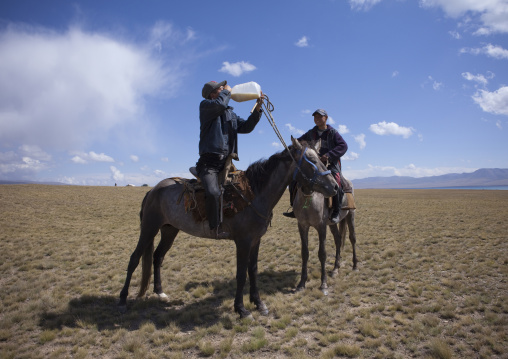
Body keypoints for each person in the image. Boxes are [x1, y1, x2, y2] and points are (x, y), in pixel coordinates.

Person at [197, 80, 264, 239]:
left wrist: (258, 108)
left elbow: (246, 127)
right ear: (213, 94)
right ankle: (215, 227)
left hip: (226, 163)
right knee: (213, 193)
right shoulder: (206, 106)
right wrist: (227, 91)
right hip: (209, 164)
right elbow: (219, 105)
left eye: (224, 88)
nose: (225, 89)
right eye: (220, 88)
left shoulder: (230, 114)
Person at [283, 108, 348, 223]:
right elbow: (299, 141)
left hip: (330, 164)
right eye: (315, 117)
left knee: (336, 181)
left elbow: (343, 146)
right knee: (294, 180)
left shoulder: (333, 133)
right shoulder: (311, 133)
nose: (317, 119)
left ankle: (336, 212)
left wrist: (328, 155)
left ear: (326, 118)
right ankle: (294, 208)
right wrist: (289, 147)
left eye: (319, 117)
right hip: (314, 165)